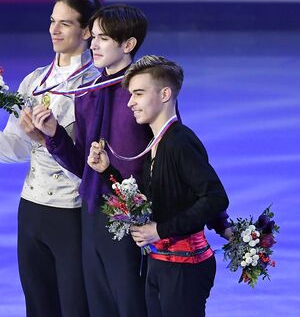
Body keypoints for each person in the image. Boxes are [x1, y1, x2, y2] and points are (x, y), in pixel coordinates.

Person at [0, 0, 101, 317]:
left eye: (65, 24)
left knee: (75, 308)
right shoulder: (34, 82)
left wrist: (48, 139)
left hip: (73, 213)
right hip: (32, 210)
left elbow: (93, 167)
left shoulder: (97, 86)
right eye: (53, 21)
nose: (54, 30)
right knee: (38, 307)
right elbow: (18, 146)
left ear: (86, 32)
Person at [32, 4, 152, 317]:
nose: (93, 44)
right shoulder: (88, 92)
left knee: (131, 303)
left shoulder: (144, 92)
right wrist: (54, 134)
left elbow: (163, 158)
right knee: (99, 305)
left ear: (128, 45)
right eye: (93, 36)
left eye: (103, 39)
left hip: (131, 217)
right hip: (92, 213)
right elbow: (83, 167)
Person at [87, 55, 229, 317]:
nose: (130, 102)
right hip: (159, 264)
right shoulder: (156, 143)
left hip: (184, 267)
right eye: (131, 94)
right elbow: (147, 201)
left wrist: (160, 230)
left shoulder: (180, 142)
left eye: (138, 93)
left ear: (165, 94)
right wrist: (108, 171)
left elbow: (215, 198)